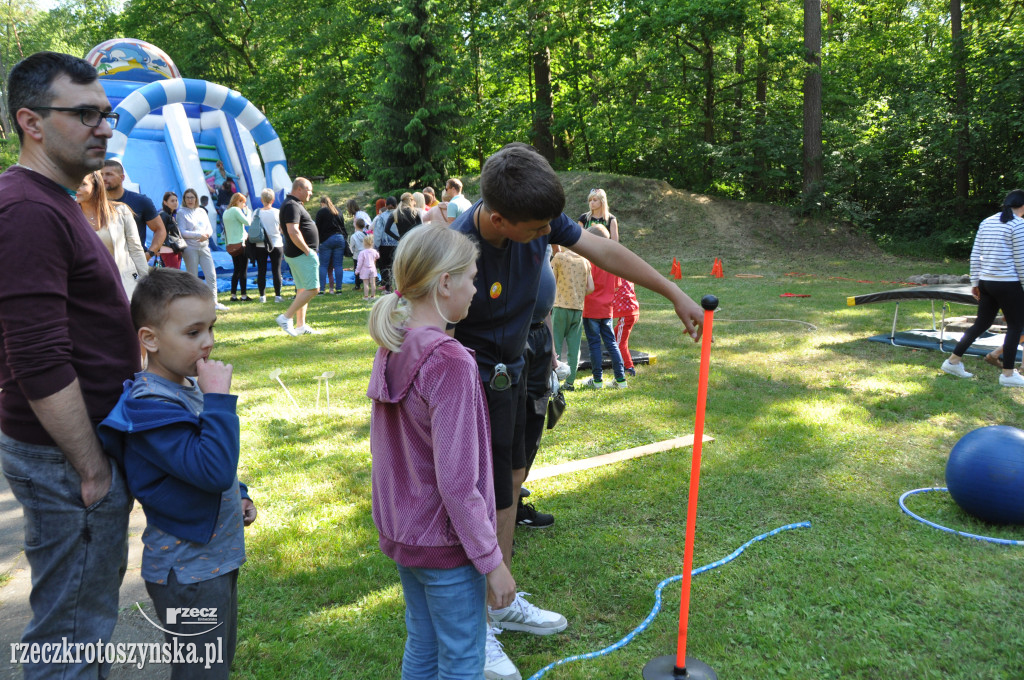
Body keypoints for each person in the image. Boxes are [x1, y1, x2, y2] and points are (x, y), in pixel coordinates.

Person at [450, 143, 703, 680]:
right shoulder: (456, 246)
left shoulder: (533, 215)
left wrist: (670, 290)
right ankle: (477, 627)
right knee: (487, 493)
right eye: (538, 229)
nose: (549, 235)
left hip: (523, 365)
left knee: (513, 483)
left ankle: (500, 604)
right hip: (474, 381)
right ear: (498, 219)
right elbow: (422, 327)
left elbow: (601, 250)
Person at [0, 50, 138, 679]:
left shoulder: (49, 199)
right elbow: (36, 355)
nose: (104, 128)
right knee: (72, 633)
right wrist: (90, 467)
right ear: (31, 121)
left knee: (80, 617)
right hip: (66, 457)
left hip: (69, 450)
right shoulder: (28, 209)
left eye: (104, 114)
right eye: (85, 115)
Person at [366, 224, 516, 680]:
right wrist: (492, 562)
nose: (476, 287)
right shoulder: (450, 361)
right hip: (448, 546)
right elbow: (457, 480)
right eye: (471, 277)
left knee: (424, 644)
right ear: (445, 283)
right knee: (462, 658)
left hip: (407, 537)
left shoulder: (393, 344)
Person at [97, 268, 258, 679]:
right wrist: (219, 401)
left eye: (211, 328)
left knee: (215, 665)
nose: (208, 342)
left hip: (213, 561)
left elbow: (202, 460)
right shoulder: (149, 404)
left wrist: (238, 490)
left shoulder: (182, 388)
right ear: (150, 339)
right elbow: (211, 468)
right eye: (193, 333)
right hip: (187, 572)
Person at [941, 189, 1024, 387]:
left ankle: (952, 361)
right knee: (1015, 327)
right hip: (1007, 283)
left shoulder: (987, 222)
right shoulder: (1019, 225)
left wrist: (975, 283)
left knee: (981, 324)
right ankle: (1008, 375)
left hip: (986, 282)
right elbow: (1021, 260)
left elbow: (976, 253)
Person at [76, 169, 150, 298]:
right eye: (74, 183)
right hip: (86, 288)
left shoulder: (121, 211)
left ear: (96, 186)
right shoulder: (69, 215)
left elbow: (136, 249)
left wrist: (146, 283)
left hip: (124, 284)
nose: (76, 188)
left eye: (83, 184)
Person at [580, 224, 628, 388]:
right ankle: (620, 379)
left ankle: (598, 380)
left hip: (590, 309)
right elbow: (616, 285)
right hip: (607, 309)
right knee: (612, 343)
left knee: (594, 344)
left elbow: (584, 284)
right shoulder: (611, 262)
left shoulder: (588, 260)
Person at [276, 177, 320, 336]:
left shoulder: (291, 204)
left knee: (303, 289)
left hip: (297, 253)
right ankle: (286, 317)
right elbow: (292, 231)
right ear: (299, 189)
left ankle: (301, 326)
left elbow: (283, 228)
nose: (311, 194)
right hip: (301, 254)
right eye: (309, 190)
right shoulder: (291, 205)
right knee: (313, 288)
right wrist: (307, 250)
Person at [101, 158, 166, 258]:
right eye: (101, 175)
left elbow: (160, 230)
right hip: (103, 261)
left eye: (109, 174)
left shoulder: (140, 201)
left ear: (122, 178)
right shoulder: (93, 202)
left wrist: (149, 254)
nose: (104, 178)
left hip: (133, 262)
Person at [551, 245, 594, 390]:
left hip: (560, 307)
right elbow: (591, 287)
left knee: (555, 345)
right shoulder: (585, 261)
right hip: (577, 309)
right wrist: (578, 295)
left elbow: (552, 282)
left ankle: (553, 379)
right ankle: (570, 382)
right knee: (574, 348)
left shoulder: (559, 258)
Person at [178, 187, 228, 311]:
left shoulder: (201, 211)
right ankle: (193, 303)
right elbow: (182, 232)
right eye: (187, 197)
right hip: (190, 248)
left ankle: (214, 302)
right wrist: (197, 235)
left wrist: (207, 235)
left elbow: (209, 228)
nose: (190, 200)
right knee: (193, 276)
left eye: (192, 197)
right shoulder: (181, 212)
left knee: (211, 274)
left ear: (196, 198)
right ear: (184, 199)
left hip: (204, 247)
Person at [248, 188, 285, 304]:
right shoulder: (277, 212)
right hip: (276, 244)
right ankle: (277, 296)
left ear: (262, 199)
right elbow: (282, 230)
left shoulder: (256, 212)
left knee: (261, 270)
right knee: (276, 270)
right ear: (273, 200)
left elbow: (252, 227)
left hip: (260, 244)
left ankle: (262, 296)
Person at [316, 195, 348, 295]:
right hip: (339, 238)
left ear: (322, 203)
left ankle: (321, 289)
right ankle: (338, 289)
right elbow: (343, 226)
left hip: (326, 240)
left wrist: (318, 241)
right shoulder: (338, 210)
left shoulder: (321, 212)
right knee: (338, 265)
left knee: (323, 266)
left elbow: (317, 228)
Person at [223, 192, 252, 301]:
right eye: (243, 203)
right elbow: (248, 222)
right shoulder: (236, 210)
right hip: (241, 244)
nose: (243, 205)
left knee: (236, 270)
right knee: (243, 270)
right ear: (238, 201)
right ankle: (243, 295)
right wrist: (248, 212)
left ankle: (233, 294)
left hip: (231, 245)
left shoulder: (226, 211)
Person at [613, 273, 641, 378]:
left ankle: (629, 367)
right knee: (615, 335)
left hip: (628, 314)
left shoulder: (616, 277)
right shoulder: (626, 275)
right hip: (631, 311)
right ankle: (614, 354)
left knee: (621, 343)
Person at [373, 195, 399, 292]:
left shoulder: (381, 217)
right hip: (398, 243)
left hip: (384, 245)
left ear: (386, 205)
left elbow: (378, 232)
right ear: (396, 204)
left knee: (385, 267)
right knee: (396, 265)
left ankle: (388, 287)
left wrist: (376, 246)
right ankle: (398, 286)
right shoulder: (400, 215)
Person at [158, 191, 186, 270]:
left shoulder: (171, 215)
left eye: (176, 200)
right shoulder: (163, 215)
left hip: (175, 249)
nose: (175, 203)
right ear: (165, 202)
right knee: (173, 276)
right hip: (168, 249)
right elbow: (159, 232)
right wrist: (157, 249)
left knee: (175, 275)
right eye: (172, 201)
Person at [356, 234, 380, 300]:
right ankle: (373, 296)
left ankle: (366, 296)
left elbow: (359, 263)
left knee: (365, 283)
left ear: (364, 243)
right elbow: (378, 256)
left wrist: (357, 270)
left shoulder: (362, 253)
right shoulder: (374, 251)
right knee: (373, 283)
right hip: (372, 269)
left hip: (364, 269)